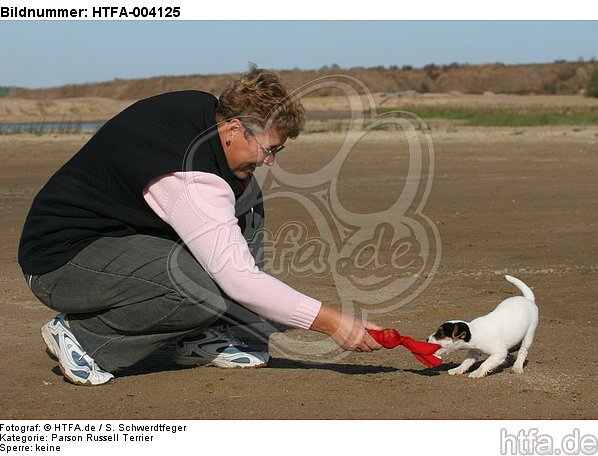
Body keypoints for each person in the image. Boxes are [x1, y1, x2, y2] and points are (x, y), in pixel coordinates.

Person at [18, 66, 383, 386]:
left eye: (278, 151)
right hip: (59, 262)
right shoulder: (190, 179)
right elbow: (240, 280)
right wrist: (334, 323)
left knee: (247, 201)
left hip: (119, 235)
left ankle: (210, 335)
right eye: (268, 148)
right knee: (202, 286)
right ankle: (84, 337)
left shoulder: (208, 114)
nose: (271, 161)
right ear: (234, 128)